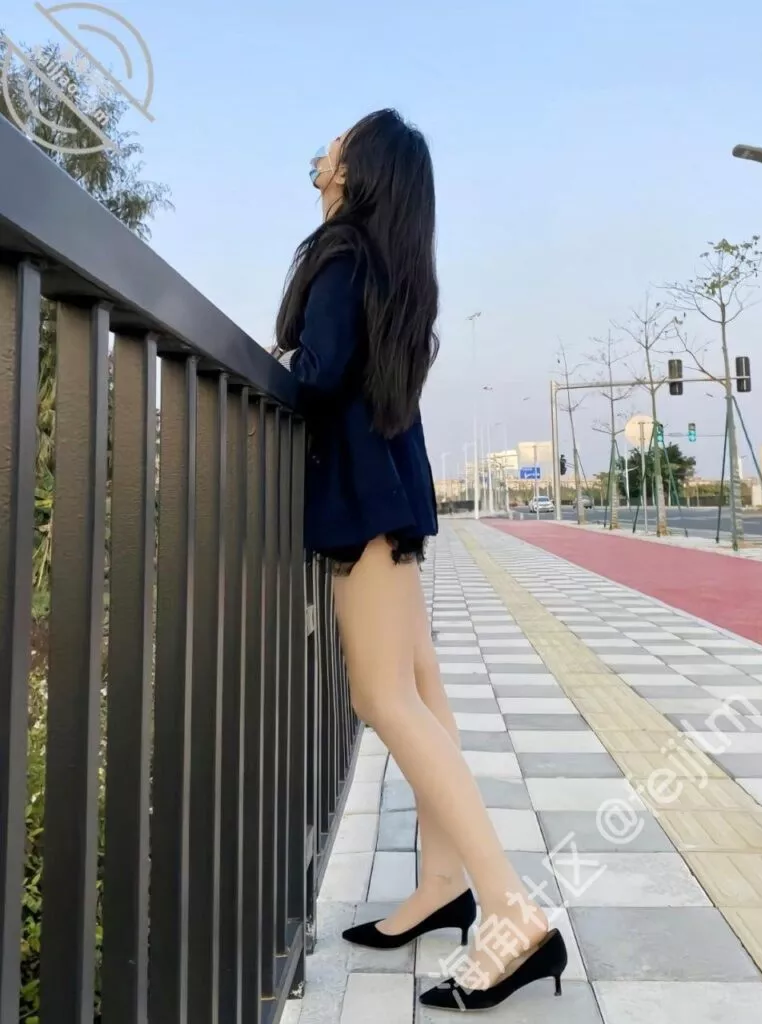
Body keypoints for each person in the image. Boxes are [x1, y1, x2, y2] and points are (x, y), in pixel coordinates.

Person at [273, 108, 566, 1012]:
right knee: (419, 683)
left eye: (334, 144)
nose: (321, 151)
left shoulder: (339, 253)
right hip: (393, 487)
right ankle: (443, 883)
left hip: (361, 497)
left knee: (383, 697)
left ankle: (512, 913)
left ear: (354, 170)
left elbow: (317, 374)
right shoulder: (393, 262)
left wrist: (282, 356)